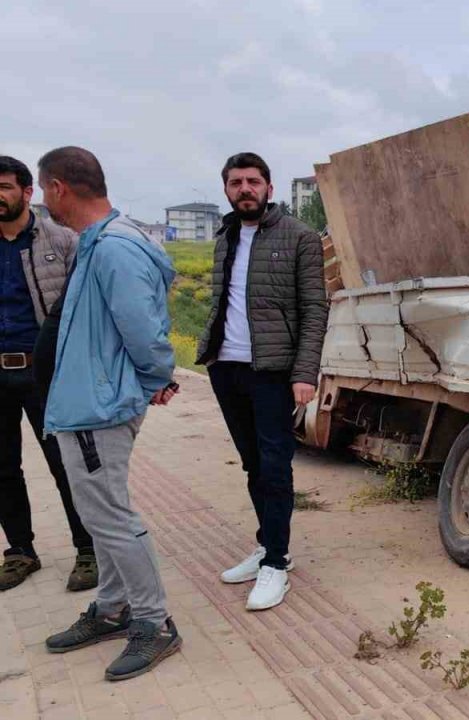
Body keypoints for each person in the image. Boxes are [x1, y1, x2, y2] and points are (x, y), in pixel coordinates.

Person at [38, 147, 181, 681]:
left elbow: (145, 331)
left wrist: (153, 380)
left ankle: (153, 621)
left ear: (58, 189)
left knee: (112, 517)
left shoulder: (115, 248)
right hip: (84, 403)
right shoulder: (97, 243)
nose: (41, 199)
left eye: (41, 189)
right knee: (99, 514)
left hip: (97, 409)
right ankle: (115, 606)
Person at [197, 152, 327, 611]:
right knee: (252, 464)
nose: (245, 189)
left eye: (253, 181)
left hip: (272, 371)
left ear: (269, 188)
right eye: (236, 183)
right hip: (226, 368)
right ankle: (270, 545)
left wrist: (305, 373)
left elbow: (315, 310)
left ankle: (275, 562)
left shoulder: (300, 237)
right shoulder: (224, 235)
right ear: (226, 190)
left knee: (275, 467)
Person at [0, 156, 97, 592]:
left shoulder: (62, 240)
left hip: (45, 374)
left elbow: (82, 309)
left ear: (27, 192)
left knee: (66, 464)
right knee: (3, 468)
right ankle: (20, 552)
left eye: (4, 186)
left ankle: (88, 549)